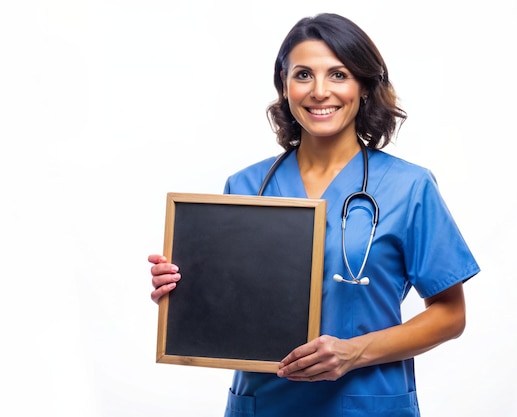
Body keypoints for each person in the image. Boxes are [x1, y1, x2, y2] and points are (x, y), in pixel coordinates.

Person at [149, 12, 480, 417]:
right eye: (303, 75)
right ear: (285, 87)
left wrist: (353, 353)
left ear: (363, 86)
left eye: (338, 75)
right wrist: (182, 292)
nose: (320, 91)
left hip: (366, 404)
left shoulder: (409, 187)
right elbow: (231, 308)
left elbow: (451, 313)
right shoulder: (247, 186)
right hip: (264, 404)